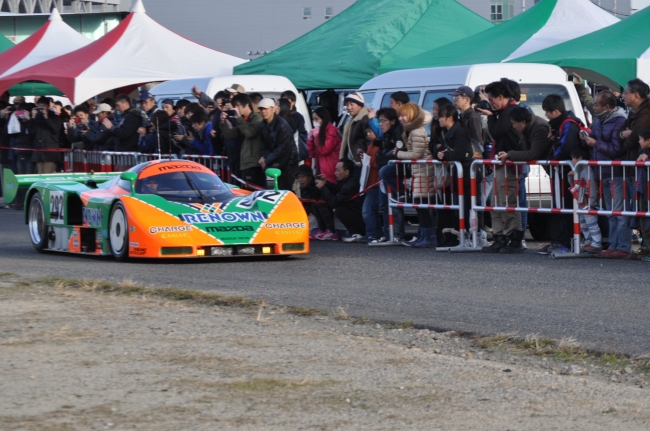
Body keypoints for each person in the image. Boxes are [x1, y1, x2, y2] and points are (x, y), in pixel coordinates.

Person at [579, 91, 629, 258]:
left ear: (607, 106)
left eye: (597, 105)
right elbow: (594, 142)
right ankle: (613, 246)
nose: (594, 107)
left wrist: (595, 143)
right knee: (611, 212)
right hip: (602, 172)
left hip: (616, 172)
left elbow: (617, 149)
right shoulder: (599, 121)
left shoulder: (619, 121)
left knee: (619, 212)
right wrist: (585, 139)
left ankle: (622, 247)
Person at [498, 107, 554, 252]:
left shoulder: (540, 127)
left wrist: (510, 155)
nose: (513, 126)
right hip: (552, 169)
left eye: (514, 123)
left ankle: (561, 241)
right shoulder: (528, 128)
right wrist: (510, 154)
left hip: (558, 168)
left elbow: (532, 153)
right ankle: (557, 241)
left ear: (523, 121)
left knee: (561, 208)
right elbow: (525, 151)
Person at [477, 80, 522, 253]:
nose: (490, 102)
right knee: (495, 202)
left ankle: (514, 238)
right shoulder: (501, 112)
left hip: (509, 164)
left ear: (501, 97)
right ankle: (499, 237)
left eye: (491, 99)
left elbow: (495, 132)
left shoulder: (510, 112)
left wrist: (490, 115)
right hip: (498, 163)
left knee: (508, 201)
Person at [542, 94, 587, 255]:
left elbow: (566, 147)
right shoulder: (564, 124)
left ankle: (567, 242)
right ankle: (560, 241)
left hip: (567, 172)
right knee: (561, 207)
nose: (546, 115)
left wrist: (554, 157)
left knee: (567, 207)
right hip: (564, 171)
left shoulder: (568, 124)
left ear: (555, 111)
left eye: (547, 112)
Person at [395, 102, 435, 248]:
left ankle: (428, 236)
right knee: (420, 205)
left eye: (403, 115)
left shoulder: (415, 131)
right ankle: (424, 236)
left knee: (422, 205)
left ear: (411, 115)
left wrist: (399, 153)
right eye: (399, 115)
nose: (401, 118)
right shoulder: (413, 130)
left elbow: (417, 154)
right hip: (420, 170)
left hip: (423, 170)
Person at [436, 104, 475, 248]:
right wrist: (439, 155)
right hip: (457, 175)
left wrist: (444, 155)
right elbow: (439, 150)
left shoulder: (459, 131)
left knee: (467, 207)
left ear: (449, 118)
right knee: (458, 207)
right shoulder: (446, 132)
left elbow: (460, 154)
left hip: (466, 174)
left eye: (441, 116)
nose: (439, 119)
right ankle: (461, 237)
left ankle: (471, 236)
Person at [620, 79, 650, 258]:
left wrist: (627, 137)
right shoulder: (634, 112)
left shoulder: (645, 113)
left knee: (645, 209)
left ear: (636, 95)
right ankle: (645, 245)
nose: (623, 96)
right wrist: (623, 135)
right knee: (640, 209)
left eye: (625, 93)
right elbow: (623, 134)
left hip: (643, 171)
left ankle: (647, 246)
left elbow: (632, 139)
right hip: (636, 169)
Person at [220, 93, 265, 187]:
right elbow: (231, 135)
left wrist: (239, 119)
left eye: (238, 105)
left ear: (247, 105)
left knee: (255, 191)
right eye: (234, 106)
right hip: (246, 163)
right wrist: (223, 123)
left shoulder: (257, 118)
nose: (236, 109)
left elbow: (249, 133)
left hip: (255, 164)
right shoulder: (244, 120)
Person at [374, 107, 404, 244]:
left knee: (394, 203)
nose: (380, 123)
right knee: (384, 204)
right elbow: (388, 152)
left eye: (383, 120)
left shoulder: (398, 132)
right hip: (384, 171)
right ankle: (388, 234)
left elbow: (396, 152)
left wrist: (388, 153)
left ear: (392, 121)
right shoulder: (385, 134)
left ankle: (397, 234)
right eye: (379, 120)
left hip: (394, 173)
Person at [316, 158, 365, 242]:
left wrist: (323, 188)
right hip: (357, 212)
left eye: (338, 170)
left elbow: (334, 202)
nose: (335, 173)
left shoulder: (350, 184)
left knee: (340, 210)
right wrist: (326, 183)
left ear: (346, 172)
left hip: (359, 215)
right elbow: (338, 190)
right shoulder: (348, 180)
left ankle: (358, 233)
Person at [258, 98, 298, 190]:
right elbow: (264, 143)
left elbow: (282, 148)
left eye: (266, 109)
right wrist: (263, 156)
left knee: (284, 191)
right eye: (261, 109)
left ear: (273, 109)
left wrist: (267, 160)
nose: (263, 111)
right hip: (274, 162)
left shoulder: (282, 125)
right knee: (272, 190)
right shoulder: (263, 124)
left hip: (288, 163)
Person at [568, 146, 602, 254]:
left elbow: (591, 185)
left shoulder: (586, 170)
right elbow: (574, 184)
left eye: (574, 158)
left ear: (580, 158)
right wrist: (570, 177)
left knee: (591, 223)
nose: (572, 161)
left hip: (587, 201)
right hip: (581, 200)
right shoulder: (578, 170)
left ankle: (596, 243)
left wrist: (591, 202)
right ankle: (588, 242)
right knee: (583, 223)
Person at [294, 165, 338, 240]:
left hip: (334, 205)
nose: (300, 180)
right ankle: (322, 229)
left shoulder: (318, 184)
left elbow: (330, 200)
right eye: (298, 178)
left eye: (303, 177)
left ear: (310, 176)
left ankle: (331, 231)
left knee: (318, 202)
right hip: (319, 209)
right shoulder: (303, 188)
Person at [360, 124, 383, 242]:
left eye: (371, 131)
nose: (368, 134)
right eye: (367, 131)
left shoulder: (378, 146)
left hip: (376, 182)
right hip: (370, 182)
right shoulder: (371, 145)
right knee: (370, 210)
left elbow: (377, 163)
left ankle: (373, 233)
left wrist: (367, 159)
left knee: (368, 210)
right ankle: (374, 233)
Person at [307, 107, 341, 184]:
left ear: (323, 119)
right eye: (313, 119)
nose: (314, 122)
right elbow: (313, 153)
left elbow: (324, 150)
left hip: (331, 170)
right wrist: (310, 139)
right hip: (320, 169)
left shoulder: (332, 131)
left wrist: (316, 136)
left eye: (317, 119)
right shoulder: (319, 132)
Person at [30, 97, 62, 174]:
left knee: (47, 175)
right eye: (40, 106)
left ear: (48, 106)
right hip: (38, 152)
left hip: (51, 152)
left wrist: (47, 117)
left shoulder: (55, 117)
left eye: (43, 106)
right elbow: (30, 131)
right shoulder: (37, 118)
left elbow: (56, 130)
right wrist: (32, 118)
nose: (41, 108)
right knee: (39, 176)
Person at [339, 92, 369, 167]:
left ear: (360, 105)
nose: (349, 107)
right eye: (347, 104)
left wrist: (364, 158)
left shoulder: (364, 119)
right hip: (352, 162)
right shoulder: (352, 120)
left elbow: (369, 141)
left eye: (352, 104)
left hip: (360, 163)